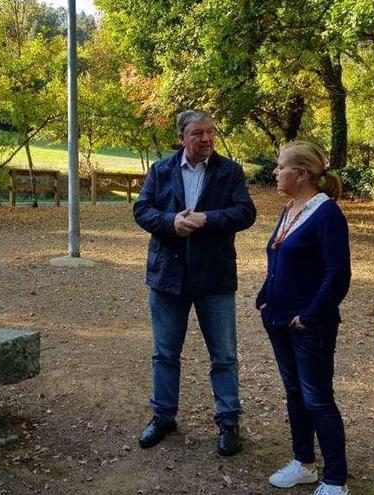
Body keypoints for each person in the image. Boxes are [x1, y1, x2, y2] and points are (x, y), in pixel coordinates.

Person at [133, 109, 255, 456]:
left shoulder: (229, 171)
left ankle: (228, 421)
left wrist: (208, 219)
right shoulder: (160, 170)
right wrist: (171, 222)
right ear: (182, 137)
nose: (206, 139)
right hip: (167, 277)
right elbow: (142, 210)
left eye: (211, 133)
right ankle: (163, 416)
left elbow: (246, 212)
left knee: (224, 355)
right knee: (165, 353)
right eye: (198, 133)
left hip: (214, 277)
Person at [256, 142, 351, 495]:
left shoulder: (327, 215)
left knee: (317, 398)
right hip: (279, 320)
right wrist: (266, 298)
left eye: (281, 167)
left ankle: (336, 480)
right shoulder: (291, 208)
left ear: (302, 174)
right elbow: (280, 255)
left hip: (310, 327)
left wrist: (308, 317)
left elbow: (337, 275)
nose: (275, 173)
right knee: (294, 393)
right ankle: (304, 463)